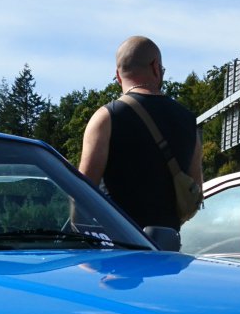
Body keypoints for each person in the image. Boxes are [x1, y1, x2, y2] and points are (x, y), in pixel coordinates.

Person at [79, 35, 201, 238]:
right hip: (166, 248)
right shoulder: (188, 121)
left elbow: (82, 191)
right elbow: (195, 190)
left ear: (118, 76)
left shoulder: (106, 117)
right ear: (155, 67)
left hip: (118, 247)